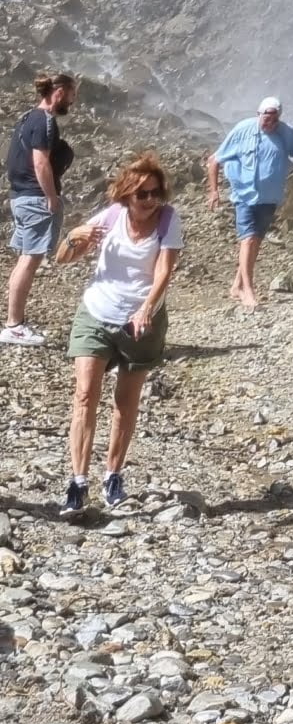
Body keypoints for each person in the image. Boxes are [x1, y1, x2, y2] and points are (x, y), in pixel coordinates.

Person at [52, 152, 183, 517]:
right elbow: (63, 258)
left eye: (156, 193)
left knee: (125, 404)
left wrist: (145, 309)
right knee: (84, 395)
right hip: (97, 311)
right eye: (143, 194)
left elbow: (163, 272)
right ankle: (78, 483)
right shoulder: (110, 217)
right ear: (127, 194)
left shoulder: (169, 220)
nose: (151, 200)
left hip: (141, 321)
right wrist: (74, 236)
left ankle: (113, 475)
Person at [206, 97, 293, 308]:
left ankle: (236, 286)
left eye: (275, 119)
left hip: (270, 198)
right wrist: (214, 191)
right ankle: (248, 291)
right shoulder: (242, 130)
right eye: (267, 118)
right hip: (244, 196)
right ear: (258, 114)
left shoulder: (287, 134)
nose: (270, 123)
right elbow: (214, 160)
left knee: (255, 241)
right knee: (247, 239)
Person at [5, 71, 77, 346]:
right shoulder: (45, 122)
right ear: (59, 93)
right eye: (71, 98)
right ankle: (14, 326)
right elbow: (40, 162)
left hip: (20, 196)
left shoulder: (26, 117)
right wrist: (51, 198)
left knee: (25, 258)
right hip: (35, 199)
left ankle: (15, 321)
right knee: (30, 259)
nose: (71, 104)